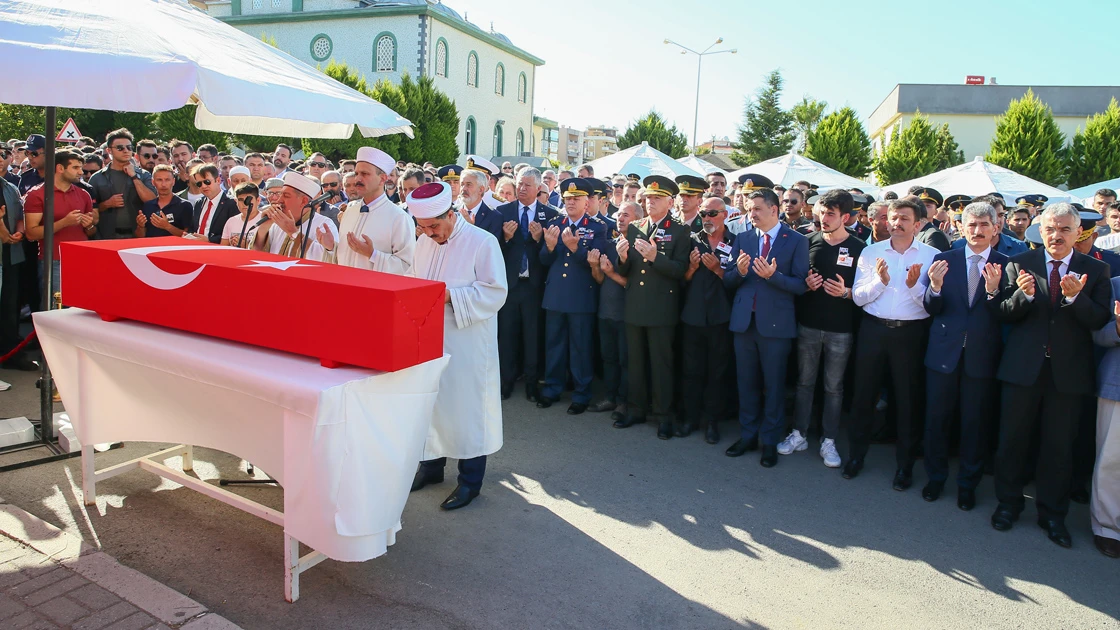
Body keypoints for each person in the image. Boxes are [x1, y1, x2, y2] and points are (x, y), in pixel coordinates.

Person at [990, 203, 1111, 548]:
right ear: (1039, 233)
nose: (1056, 235)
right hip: (1022, 369)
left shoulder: (1095, 271)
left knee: (1058, 447)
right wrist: (1023, 296)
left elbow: (1099, 321)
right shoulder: (1020, 264)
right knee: (1012, 440)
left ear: (1078, 233)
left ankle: (1052, 515)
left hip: (1068, 374)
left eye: (1064, 230)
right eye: (1050, 229)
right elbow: (1002, 313)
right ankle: (1008, 505)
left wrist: (1076, 299)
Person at [407, 182, 508, 510]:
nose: (429, 233)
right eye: (421, 227)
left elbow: (496, 292)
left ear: (451, 214)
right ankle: (432, 467)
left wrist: (451, 296)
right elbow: (413, 277)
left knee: (466, 410)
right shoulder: (423, 241)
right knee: (429, 404)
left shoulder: (483, 242)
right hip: (429, 339)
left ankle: (470, 482)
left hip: (467, 342)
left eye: (434, 226)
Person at [845, 196, 938, 486]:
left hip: (911, 335)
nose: (896, 223)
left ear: (919, 224)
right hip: (873, 330)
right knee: (863, 396)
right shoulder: (872, 252)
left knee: (908, 400)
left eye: (904, 219)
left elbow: (931, 306)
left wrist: (912, 288)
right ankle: (856, 456)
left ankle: (905, 466)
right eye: (893, 218)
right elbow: (859, 298)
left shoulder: (931, 255)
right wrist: (880, 281)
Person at [921, 201, 1008, 510]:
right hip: (943, 353)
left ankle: (967, 484)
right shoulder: (943, 259)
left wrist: (995, 291)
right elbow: (931, 308)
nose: (977, 230)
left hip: (982, 357)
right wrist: (935, 286)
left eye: (984, 224)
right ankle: (935, 477)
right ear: (960, 227)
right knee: (937, 419)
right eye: (971, 224)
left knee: (975, 423)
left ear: (996, 227)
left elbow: (1008, 315)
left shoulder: (1007, 264)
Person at [722, 188, 809, 466]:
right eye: (749, 208)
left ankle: (769, 440)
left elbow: (801, 284)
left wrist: (774, 276)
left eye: (757, 208)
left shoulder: (796, 241)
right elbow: (728, 279)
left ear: (774, 209)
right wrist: (741, 272)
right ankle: (748, 435)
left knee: (773, 386)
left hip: (776, 326)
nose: (752, 213)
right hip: (744, 323)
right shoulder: (744, 238)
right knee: (746, 383)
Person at [782, 189, 864, 468]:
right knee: (804, 382)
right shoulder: (806, 242)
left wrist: (846, 292)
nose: (824, 218)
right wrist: (806, 285)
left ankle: (829, 439)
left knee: (833, 387)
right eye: (822, 212)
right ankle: (799, 433)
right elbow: (794, 280)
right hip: (808, 325)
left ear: (846, 217)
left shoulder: (859, 248)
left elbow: (866, 291)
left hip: (841, 329)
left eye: (831, 213)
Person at [613, 176, 691, 437]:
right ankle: (636, 410)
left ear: (670, 201)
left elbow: (680, 270)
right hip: (635, 304)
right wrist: (622, 257)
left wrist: (655, 257)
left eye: (656, 198)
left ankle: (663, 415)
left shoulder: (679, 230)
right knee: (635, 362)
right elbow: (629, 269)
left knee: (661, 365)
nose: (650, 202)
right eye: (647, 198)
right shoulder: (636, 226)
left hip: (661, 307)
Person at [536, 178, 607, 414]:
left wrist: (577, 249)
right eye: (567, 199)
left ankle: (581, 393)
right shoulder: (556, 223)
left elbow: (593, 262)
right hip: (556, 294)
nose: (571, 203)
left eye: (576, 199)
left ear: (587, 203)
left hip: (580, 296)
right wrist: (548, 245)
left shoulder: (597, 227)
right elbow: (545, 261)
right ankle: (552, 389)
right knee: (554, 344)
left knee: (580, 348)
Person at [495, 168, 558, 402]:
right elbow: (493, 251)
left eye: (527, 185)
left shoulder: (550, 214)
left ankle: (532, 383)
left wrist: (542, 240)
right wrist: (507, 239)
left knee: (533, 337)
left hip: (533, 286)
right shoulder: (503, 211)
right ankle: (506, 382)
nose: (521, 189)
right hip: (510, 285)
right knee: (507, 335)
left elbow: (551, 257)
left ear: (539, 188)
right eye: (519, 184)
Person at [680, 194, 735, 443]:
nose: (707, 218)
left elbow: (738, 281)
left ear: (725, 214)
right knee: (691, 370)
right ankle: (690, 418)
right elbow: (680, 281)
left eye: (712, 213)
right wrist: (691, 268)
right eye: (703, 214)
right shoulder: (691, 240)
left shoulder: (736, 242)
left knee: (717, 372)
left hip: (720, 318)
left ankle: (712, 421)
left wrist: (717, 269)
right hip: (693, 317)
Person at [591, 201, 639, 423]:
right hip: (606, 311)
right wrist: (595, 268)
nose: (620, 218)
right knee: (608, 357)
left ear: (638, 219)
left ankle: (624, 401)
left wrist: (610, 274)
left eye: (626, 215)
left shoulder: (640, 246)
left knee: (625, 360)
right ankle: (610, 396)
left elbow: (634, 283)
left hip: (626, 313)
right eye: (619, 214)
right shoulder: (610, 244)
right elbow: (600, 279)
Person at [330, 147, 414, 275]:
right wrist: (330, 246)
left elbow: (407, 267)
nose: (358, 179)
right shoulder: (350, 210)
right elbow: (344, 257)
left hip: (375, 293)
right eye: (356, 173)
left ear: (382, 179)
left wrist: (372, 254)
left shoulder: (399, 217)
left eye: (365, 174)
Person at [23, 150, 95, 296]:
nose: (81, 172)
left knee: (82, 308)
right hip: (53, 260)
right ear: (60, 168)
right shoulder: (36, 194)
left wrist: (89, 226)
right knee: (57, 308)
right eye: (75, 167)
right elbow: (31, 233)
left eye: (81, 167)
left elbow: (91, 232)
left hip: (81, 258)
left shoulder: (83, 194)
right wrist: (64, 222)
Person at [1090, 277, 1120, 558]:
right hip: (1118, 386)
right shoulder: (1116, 285)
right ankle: (1108, 528)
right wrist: (1119, 327)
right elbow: (1098, 334)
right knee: (1112, 460)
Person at [252, 171, 338, 263]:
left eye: (286, 196)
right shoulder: (276, 222)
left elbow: (327, 260)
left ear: (303, 201)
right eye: (280, 194)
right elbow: (257, 254)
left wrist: (293, 232)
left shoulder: (324, 224)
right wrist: (264, 227)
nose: (279, 200)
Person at [88, 128, 157, 240]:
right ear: (109, 151)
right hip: (106, 237)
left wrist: (134, 176)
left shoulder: (144, 175)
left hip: (138, 235)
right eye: (120, 148)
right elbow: (89, 211)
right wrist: (107, 204)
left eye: (129, 147)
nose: (126, 151)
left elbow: (152, 201)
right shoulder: (97, 178)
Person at [0, 169, 30, 371]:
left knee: (10, 308)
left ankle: (9, 353)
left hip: (11, 256)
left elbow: (21, 215)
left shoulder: (10, 187)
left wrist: (19, 232)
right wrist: (3, 232)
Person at [136, 165, 193, 238]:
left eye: (167, 180)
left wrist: (167, 226)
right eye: (159, 180)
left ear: (173, 181)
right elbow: (140, 236)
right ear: (153, 182)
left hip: (173, 248)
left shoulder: (184, 205)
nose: (163, 184)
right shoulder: (148, 206)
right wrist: (140, 226)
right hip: (153, 247)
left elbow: (189, 236)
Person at [189, 164, 239, 244]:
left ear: (218, 180)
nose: (204, 186)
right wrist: (189, 235)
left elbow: (233, 234)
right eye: (199, 184)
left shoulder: (232, 203)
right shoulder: (198, 203)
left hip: (218, 251)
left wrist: (209, 240)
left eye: (207, 182)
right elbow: (193, 228)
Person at [458, 158, 503, 241]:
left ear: (481, 189)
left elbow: (491, 248)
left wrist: (471, 228)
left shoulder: (494, 216)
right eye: (462, 184)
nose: (463, 189)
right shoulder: (451, 212)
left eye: (469, 185)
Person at [220, 182, 261, 248]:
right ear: (236, 201)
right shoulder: (231, 221)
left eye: (249, 199)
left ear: (258, 200)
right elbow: (223, 248)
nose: (245, 204)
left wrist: (247, 246)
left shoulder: (265, 221)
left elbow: (268, 251)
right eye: (241, 200)